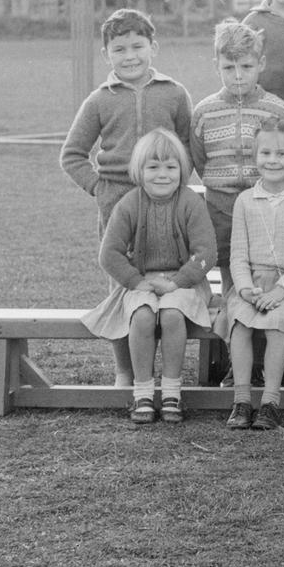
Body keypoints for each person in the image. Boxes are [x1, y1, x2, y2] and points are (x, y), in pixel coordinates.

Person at [60, 7, 196, 388]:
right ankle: (127, 372)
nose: (130, 56)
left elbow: (187, 146)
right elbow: (72, 154)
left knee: (167, 281)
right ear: (107, 54)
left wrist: (176, 187)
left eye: (138, 46)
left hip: (166, 204)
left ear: (154, 47)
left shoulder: (174, 93)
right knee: (123, 284)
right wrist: (98, 187)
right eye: (120, 49)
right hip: (118, 202)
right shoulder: (99, 100)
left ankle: (169, 372)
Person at [79, 130, 216, 425]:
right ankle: (142, 391)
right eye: (153, 167)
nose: (162, 175)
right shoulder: (130, 203)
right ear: (139, 171)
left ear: (182, 169)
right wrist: (134, 281)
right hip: (142, 280)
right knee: (141, 316)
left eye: (170, 167)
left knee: (171, 315)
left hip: (185, 281)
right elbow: (110, 253)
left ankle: (171, 392)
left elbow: (206, 251)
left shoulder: (191, 202)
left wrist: (177, 282)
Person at [189, 19, 284, 384]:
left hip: (267, 212)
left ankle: (267, 363)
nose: (237, 76)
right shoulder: (203, 112)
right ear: (216, 65)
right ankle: (240, 366)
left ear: (261, 64)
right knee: (236, 288)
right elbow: (200, 160)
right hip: (221, 211)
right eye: (229, 67)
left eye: (246, 66)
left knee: (266, 284)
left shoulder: (275, 110)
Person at [223, 117, 284, 432]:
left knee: (275, 324)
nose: (273, 160)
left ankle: (270, 403)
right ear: (255, 157)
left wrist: (280, 290)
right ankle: (241, 401)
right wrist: (246, 288)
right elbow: (238, 254)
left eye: (281, 154)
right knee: (240, 324)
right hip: (251, 282)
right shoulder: (245, 200)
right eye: (265, 153)